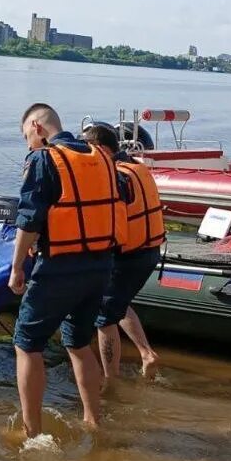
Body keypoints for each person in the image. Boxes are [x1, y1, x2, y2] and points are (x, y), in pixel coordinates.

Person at [9, 103, 122, 437]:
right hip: (100, 266)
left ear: (37, 127)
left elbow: (29, 219)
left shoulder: (43, 159)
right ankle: (93, 420)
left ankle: (31, 433)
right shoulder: (101, 156)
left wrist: (17, 267)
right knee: (77, 342)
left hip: (59, 267)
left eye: (27, 137)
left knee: (27, 343)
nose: (28, 145)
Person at [82, 123, 164, 380]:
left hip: (128, 256)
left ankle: (111, 380)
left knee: (103, 318)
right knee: (119, 303)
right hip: (150, 250)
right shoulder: (135, 166)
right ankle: (145, 353)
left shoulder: (114, 177)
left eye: (87, 150)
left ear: (102, 149)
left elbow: (104, 219)